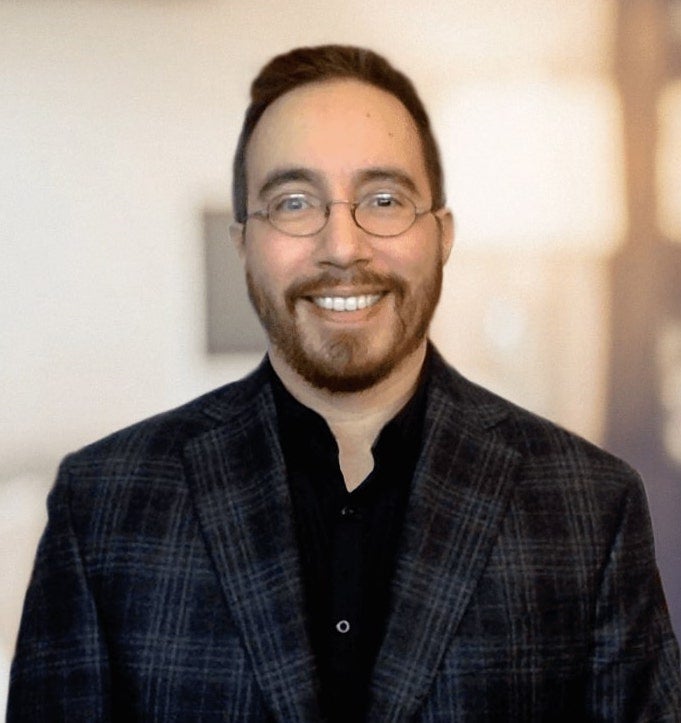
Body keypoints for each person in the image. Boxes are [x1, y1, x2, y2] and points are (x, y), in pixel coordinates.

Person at [7, 44, 681, 722]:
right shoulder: (103, 507)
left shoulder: (590, 506)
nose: (342, 246)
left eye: (383, 199)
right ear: (243, 243)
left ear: (441, 235)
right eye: (293, 202)